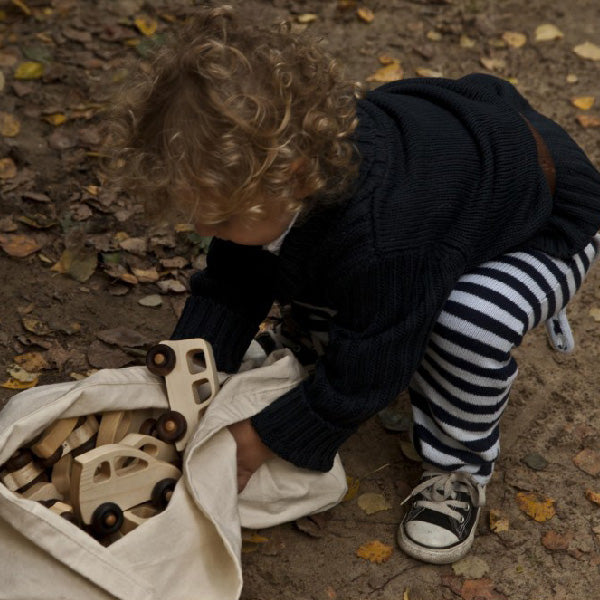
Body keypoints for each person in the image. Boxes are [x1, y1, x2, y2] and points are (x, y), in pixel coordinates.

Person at [107, 6, 600, 564]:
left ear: (292, 177)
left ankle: (458, 468)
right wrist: (188, 364)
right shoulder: (279, 185)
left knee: (465, 323)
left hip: (538, 221)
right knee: (300, 255)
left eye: (218, 220)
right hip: (448, 187)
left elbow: (374, 364)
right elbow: (231, 281)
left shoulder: (385, 236)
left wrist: (261, 439)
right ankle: (314, 335)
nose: (203, 231)